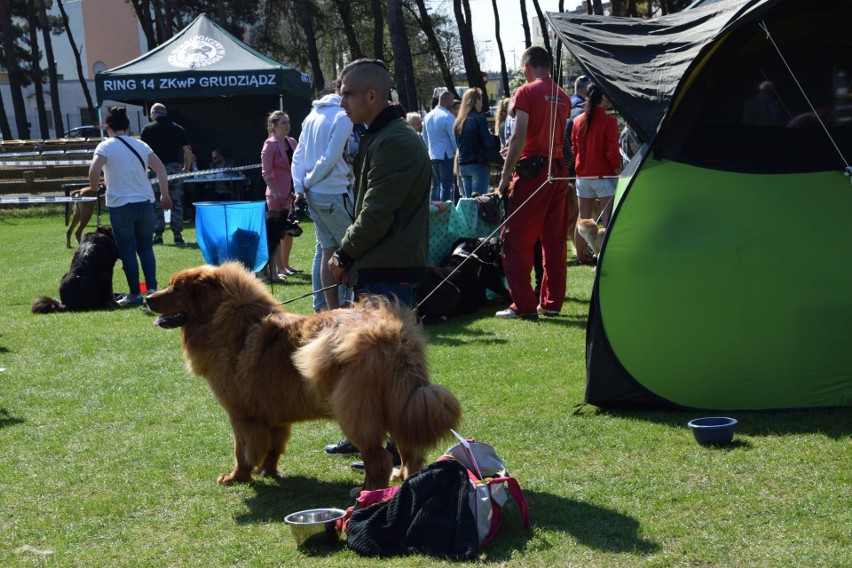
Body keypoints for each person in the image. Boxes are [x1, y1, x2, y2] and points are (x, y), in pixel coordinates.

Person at [324, 59, 430, 465]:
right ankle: (376, 443)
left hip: (391, 273)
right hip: (380, 268)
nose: (342, 101)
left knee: (394, 376)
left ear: (372, 95)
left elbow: (376, 214)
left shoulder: (396, 141)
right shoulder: (381, 136)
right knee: (375, 373)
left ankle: (409, 457)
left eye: (347, 93)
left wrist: (344, 253)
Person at [495, 46, 571, 320]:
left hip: (532, 173)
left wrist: (505, 176)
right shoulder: (563, 95)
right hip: (558, 170)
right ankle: (551, 302)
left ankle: (524, 305)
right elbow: (555, 137)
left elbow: (519, 135)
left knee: (515, 239)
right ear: (548, 65)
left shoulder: (525, 92)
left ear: (526, 66)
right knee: (554, 240)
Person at [88, 106, 171, 307]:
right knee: (146, 248)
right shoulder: (141, 145)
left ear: (108, 128)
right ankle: (152, 289)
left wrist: (94, 187)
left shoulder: (105, 146)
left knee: (127, 251)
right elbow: (160, 168)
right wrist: (165, 194)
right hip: (144, 203)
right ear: (127, 127)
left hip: (120, 206)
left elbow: (94, 170)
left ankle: (135, 293)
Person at [292, 86, 355, 310]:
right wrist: (307, 182)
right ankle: (348, 307)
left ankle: (325, 308)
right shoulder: (343, 116)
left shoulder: (312, 115)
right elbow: (330, 157)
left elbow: (298, 156)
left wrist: (300, 186)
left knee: (326, 249)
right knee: (352, 248)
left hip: (314, 193)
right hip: (331, 191)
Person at [572, 83, 622, 263]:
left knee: (583, 219)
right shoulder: (609, 122)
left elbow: (574, 149)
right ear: (601, 98)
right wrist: (619, 173)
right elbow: (612, 152)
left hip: (583, 177)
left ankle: (580, 256)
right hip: (604, 177)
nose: (609, 101)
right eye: (607, 97)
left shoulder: (578, 121)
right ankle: (608, 256)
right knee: (608, 218)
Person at [139, 102, 191, 245]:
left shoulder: (147, 129)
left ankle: (158, 235)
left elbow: (142, 153)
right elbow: (187, 151)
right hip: (174, 170)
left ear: (154, 113)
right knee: (176, 202)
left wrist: (144, 170)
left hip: (154, 170)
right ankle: (177, 235)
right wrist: (186, 168)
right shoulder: (178, 129)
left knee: (156, 201)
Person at [261, 110, 300, 278]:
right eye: (283, 123)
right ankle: (277, 269)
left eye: (288, 122)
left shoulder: (292, 142)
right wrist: (276, 192)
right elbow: (266, 172)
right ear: (274, 126)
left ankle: (286, 265)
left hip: (291, 194)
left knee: (289, 230)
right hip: (276, 195)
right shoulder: (270, 144)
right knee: (275, 234)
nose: (287, 126)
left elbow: (299, 165)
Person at [454, 87, 495, 198]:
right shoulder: (479, 118)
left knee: (469, 204)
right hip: (478, 164)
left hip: (463, 165)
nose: (481, 103)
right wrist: (493, 138)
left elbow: (458, 144)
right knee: (480, 203)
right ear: (476, 100)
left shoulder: (458, 121)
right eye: (480, 99)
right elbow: (487, 143)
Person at [422, 90, 457, 202]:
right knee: (447, 187)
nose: (453, 103)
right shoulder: (448, 117)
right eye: (452, 100)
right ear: (447, 101)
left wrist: (430, 150)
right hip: (446, 154)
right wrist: (457, 153)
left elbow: (425, 137)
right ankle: (445, 212)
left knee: (436, 186)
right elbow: (454, 139)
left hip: (432, 154)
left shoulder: (427, 116)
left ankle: (434, 210)